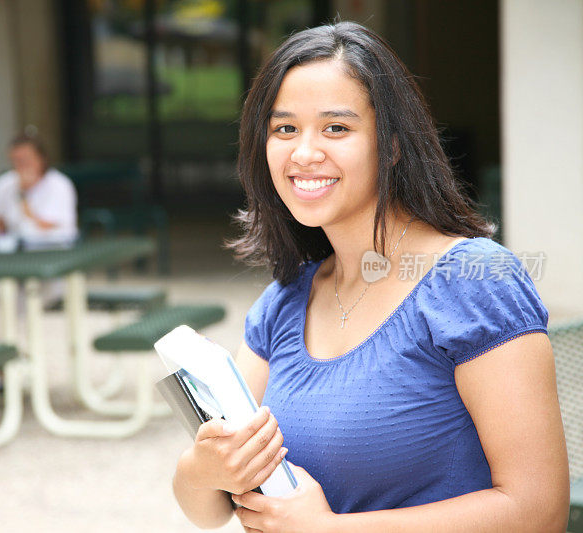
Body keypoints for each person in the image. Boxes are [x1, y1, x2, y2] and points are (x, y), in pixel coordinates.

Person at [172, 22, 569, 532]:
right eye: (284, 128)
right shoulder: (286, 302)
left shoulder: (475, 282)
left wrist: (327, 529)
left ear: (394, 145)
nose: (304, 153)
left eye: (336, 128)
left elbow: (538, 510)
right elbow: (208, 509)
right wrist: (203, 468)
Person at [0, 133, 78, 249]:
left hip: (53, 249)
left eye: (26, 159)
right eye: (17, 160)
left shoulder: (60, 185)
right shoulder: (3, 184)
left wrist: (23, 194)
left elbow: (44, 227)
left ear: (41, 159)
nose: (22, 165)